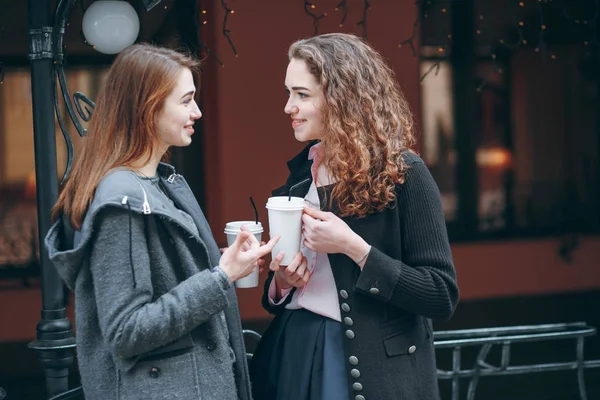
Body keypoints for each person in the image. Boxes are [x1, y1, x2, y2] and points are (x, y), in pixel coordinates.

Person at [45, 44, 278, 400]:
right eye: (185, 101)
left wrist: (221, 265)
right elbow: (126, 330)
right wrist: (220, 277)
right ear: (148, 108)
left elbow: (161, 287)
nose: (197, 112)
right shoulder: (121, 204)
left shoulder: (155, 185)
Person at [249, 33, 459, 400]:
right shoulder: (301, 174)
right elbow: (287, 291)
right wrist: (281, 281)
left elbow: (441, 294)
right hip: (295, 348)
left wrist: (355, 249)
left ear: (340, 98)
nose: (288, 107)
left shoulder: (405, 174)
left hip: (370, 366)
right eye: (288, 93)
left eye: (301, 94)